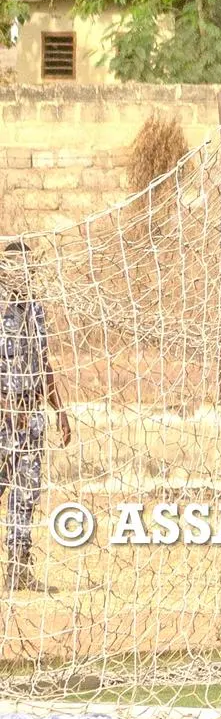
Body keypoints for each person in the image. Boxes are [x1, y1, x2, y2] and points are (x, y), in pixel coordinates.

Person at [1, 239, 70, 594]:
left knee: (26, 492)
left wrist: (60, 411)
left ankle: (18, 568)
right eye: (17, 268)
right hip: (4, 417)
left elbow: (43, 362)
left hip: (32, 416)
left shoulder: (36, 310)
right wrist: (6, 406)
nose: (24, 275)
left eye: (29, 269)